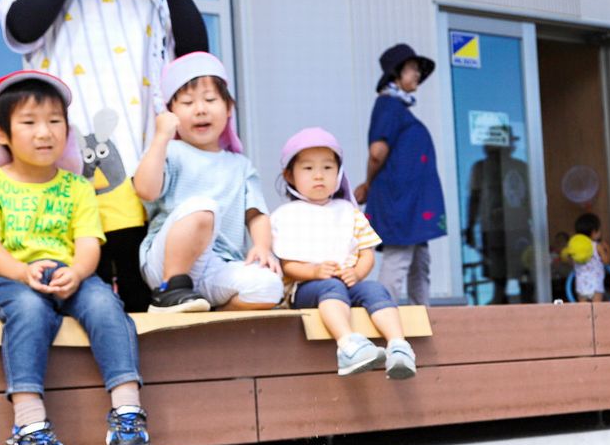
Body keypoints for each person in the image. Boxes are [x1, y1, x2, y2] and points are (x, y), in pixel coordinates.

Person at [0, 72, 152, 445]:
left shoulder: (77, 187)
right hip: (6, 280)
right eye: (29, 122)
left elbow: (87, 244)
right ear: (0, 130)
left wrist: (80, 273)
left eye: (54, 121)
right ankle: (30, 426)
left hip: (68, 275)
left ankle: (128, 414)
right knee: (30, 310)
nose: (44, 133)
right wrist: (21, 270)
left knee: (105, 302)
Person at [0, 0, 209, 313]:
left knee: (139, 291)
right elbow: (23, 27)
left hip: (142, 167)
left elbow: (193, 54)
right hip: (67, 168)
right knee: (76, 297)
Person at [134, 52, 283, 313]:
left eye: (210, 99)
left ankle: (210, 313)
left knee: (270, 286)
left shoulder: (240, 165)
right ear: (172, 113)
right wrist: (160, 138)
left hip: (219, 267)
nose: (200, 109)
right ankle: (169, 292)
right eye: (188, 102)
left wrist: (262, 247)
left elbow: (257, 214)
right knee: (205, 207)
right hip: (166, 263)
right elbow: (145, 190)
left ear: (228, 109)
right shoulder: (171, 152)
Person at [272, 128, 417, 379]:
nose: (319, 175)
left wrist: (357, 273)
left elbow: (366, 253)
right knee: (331, 287)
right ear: (290, 175)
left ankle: (398, 346)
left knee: (375, 290)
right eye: (308, 169)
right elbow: (287, 266)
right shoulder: (285, 216)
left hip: (348, 284)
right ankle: (348, 345)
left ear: (338, 173)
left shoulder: (349, 212)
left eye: (328, 168)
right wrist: (314, 271)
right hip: (307, 288)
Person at [355, 44, 446, 306]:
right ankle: (383, 315)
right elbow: (377, 152)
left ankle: (425, 319)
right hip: (401, 202)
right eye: (412, 69)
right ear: (396, 73)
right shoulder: (388, 105)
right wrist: (369, 185)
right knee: (398, 260)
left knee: (419, 262)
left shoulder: (398, 107)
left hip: (411, 203)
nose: (417, 74)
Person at [463, 127, 532, 304]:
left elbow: (531, 201)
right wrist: (470, 227)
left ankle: (524, 305)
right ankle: (501, 306)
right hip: (493, 229)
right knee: (498, 276)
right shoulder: (480, 168)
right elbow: (475, 199)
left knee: (524, 272)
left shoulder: (520, 167)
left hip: (517, 227)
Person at [562, 213, 610, 303]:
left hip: (581, 284)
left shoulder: (576, 248)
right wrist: (608, 250)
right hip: (596, 285)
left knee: (583, 310)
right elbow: (606, 261)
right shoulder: (597, 246)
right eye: (599, 230)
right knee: (597, 308)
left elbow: (571, 262)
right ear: (594, 232)